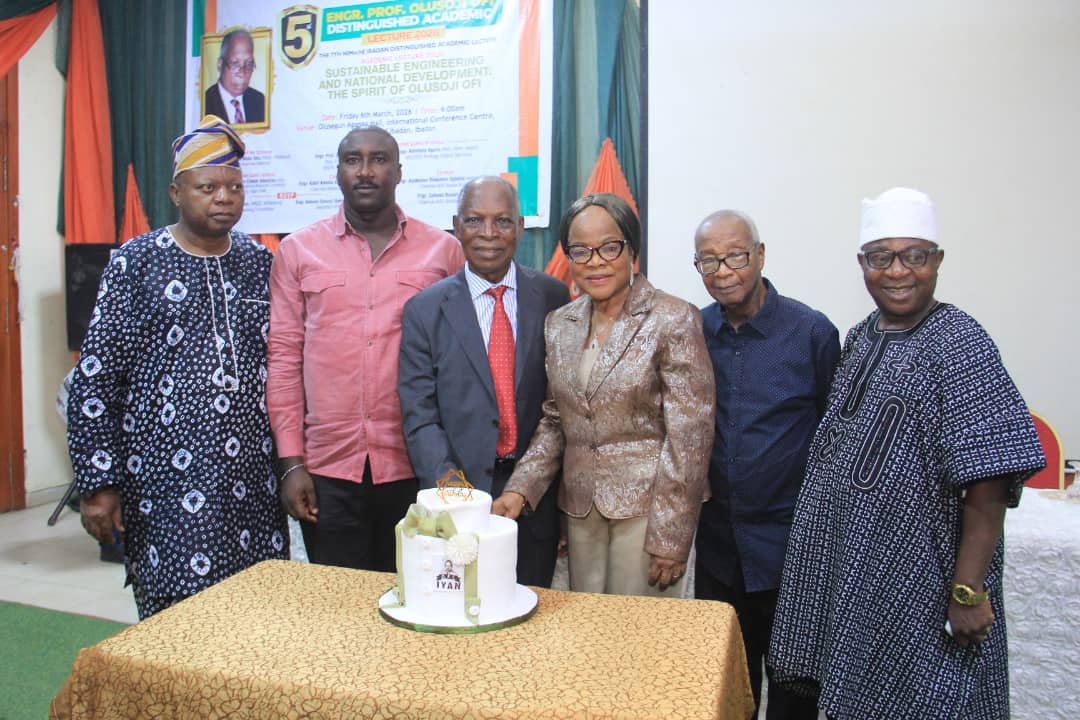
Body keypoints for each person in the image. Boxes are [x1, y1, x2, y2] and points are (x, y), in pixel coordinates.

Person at [769, 188, 1046, 719]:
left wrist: (968, 591)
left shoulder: (960, 341)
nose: (897, 271)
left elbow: (990, 478)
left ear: (936, 260)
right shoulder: (862, 337)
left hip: (922, 580)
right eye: (882, 257)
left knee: (925, 701)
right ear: (862, 265)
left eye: (913, 256)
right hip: (858, 572)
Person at [66, 116, 289, 620]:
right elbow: (96, 379)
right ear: (176, 193)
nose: (224, 198)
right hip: (163, 483)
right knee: (177, 618)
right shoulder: (136, 263)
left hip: (252, 482)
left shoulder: (260, 262)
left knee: (257, 612)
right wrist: (98, 484)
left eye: (234, 187)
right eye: (207, 187)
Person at [492, 193, 715, 597]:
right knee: (587, 626)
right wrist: (520, 488)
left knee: (636, 630)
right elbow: (556, 421)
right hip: (580, 511)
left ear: (632, 251)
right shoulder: (560, 324)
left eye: (609, 247)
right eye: (581, 251)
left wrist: (672, 534)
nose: (595, 261)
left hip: (648, 513)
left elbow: (690, 438)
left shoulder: (672, 318)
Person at [268, 126, 464, 572]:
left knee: (417, 592)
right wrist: (291, 463)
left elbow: (459, 367)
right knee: (339, 602)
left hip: (416, 465)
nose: (365, 171)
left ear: (399, 172)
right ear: (337, 171)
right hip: (328, 467)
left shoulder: (444, 252)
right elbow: (283, 360)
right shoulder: (297, 251)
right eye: (352, 160)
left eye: (379, 159)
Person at [693, 210, 839, 720]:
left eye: (735, 256)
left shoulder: (811, 332)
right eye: (709, 261)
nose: (723, 271)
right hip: (718, 548)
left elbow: (834, 437)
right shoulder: (694, 330)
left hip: (791, 549)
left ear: (759, 255)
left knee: (794, 692)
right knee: (723, 687)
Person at [399, 177, 570, 587]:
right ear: (457, 226)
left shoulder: (553, 297)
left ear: (520, 227)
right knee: (461, 608)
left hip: (535, 497)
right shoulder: (424, 310)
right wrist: (456, 494)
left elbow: (562, 404)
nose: (489, 233)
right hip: (456, 496)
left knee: (533, 605)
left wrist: (529, 487)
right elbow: (419, 414)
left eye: (503, 221)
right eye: (475, 220)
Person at [204, 29, 266, 124]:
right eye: (235, 63)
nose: (242, 73)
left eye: (249, 63)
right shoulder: (205, 102)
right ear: (220, 64)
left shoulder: (259, 101)